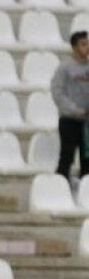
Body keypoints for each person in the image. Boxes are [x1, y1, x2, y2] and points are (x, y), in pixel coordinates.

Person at [50, 30, 89, 186]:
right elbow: (57, 93)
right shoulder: (64, 68)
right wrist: (76, 110)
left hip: (87, 123)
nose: (87, 47)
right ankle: (58, 189)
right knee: (67, 157)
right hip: (70, 121)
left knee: (87, 159)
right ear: (74, 47)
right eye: (83, 44)